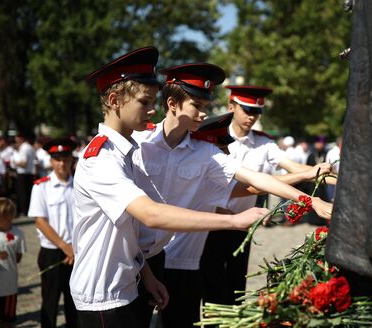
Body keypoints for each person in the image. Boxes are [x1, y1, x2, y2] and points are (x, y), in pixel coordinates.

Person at [70, 46, 267, 328]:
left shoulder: (125, 152)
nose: (152, 110)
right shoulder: (101, 158)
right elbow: (150, 215)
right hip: (104, 294)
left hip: (126, 283)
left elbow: (127, 232)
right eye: (144, 102)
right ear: (114, 100)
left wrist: (147, 275)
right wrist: (233, 220)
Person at [131, 63, 332, 327]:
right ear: (172, 104)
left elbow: (255, 180)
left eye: (205, 106)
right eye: (197, 106)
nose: (203, 114)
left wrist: (310, 200)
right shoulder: (138, 142)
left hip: (177, 258)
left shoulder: (204, 152)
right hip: (132, 258)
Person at [201, 85, 335, 307]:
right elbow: (252, 187)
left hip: (243, 224)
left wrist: (335, 178)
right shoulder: (213, 138)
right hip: (211, 224)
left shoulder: (263, 143)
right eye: (247, 110)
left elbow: (297, 168)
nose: (252, 117)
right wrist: (309, 176)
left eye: (257, 112)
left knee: (236, 289)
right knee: (211, 292)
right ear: (231, 106)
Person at [28, 138, 78, 328]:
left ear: (71, 160)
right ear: (51, 161)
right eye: (57, 159)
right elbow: (40, 221)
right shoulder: (42, 186)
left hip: (77, 251)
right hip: (54, 252)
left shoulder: (81, 185)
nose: (61, 163)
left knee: (75, 302)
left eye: (65, 158)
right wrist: (65, 247)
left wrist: (74, 248)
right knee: (50, 301)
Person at [0, 197, 25, 328]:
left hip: (9, 286)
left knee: (7, 319)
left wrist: (6, 257)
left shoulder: (18, 234)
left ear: (7, 217)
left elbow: (18, 256)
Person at [11, 133, 36, 215]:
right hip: (29, 173)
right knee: (28, 193)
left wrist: (14, 163)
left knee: (23, 193)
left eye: (17, 139)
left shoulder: (24, 148)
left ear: (21, 138)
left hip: (23, 174)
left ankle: (24, 211)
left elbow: (23, 163)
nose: (16, 141)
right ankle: (27, 210)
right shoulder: (29, 147)